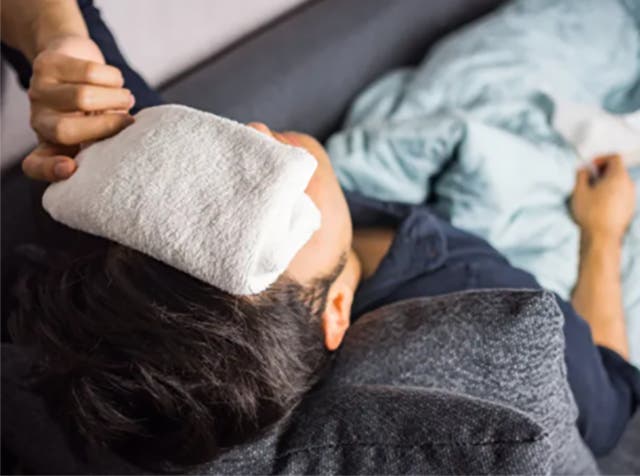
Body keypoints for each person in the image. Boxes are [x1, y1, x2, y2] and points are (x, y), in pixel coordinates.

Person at [1, 0, 639, 471]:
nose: (254, 136)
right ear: (337, 311)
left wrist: (58, 43)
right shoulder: (480, 295)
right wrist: (603, 233)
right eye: (274, 209)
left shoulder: (143, 235)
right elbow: (611, 398)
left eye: (219, 175)